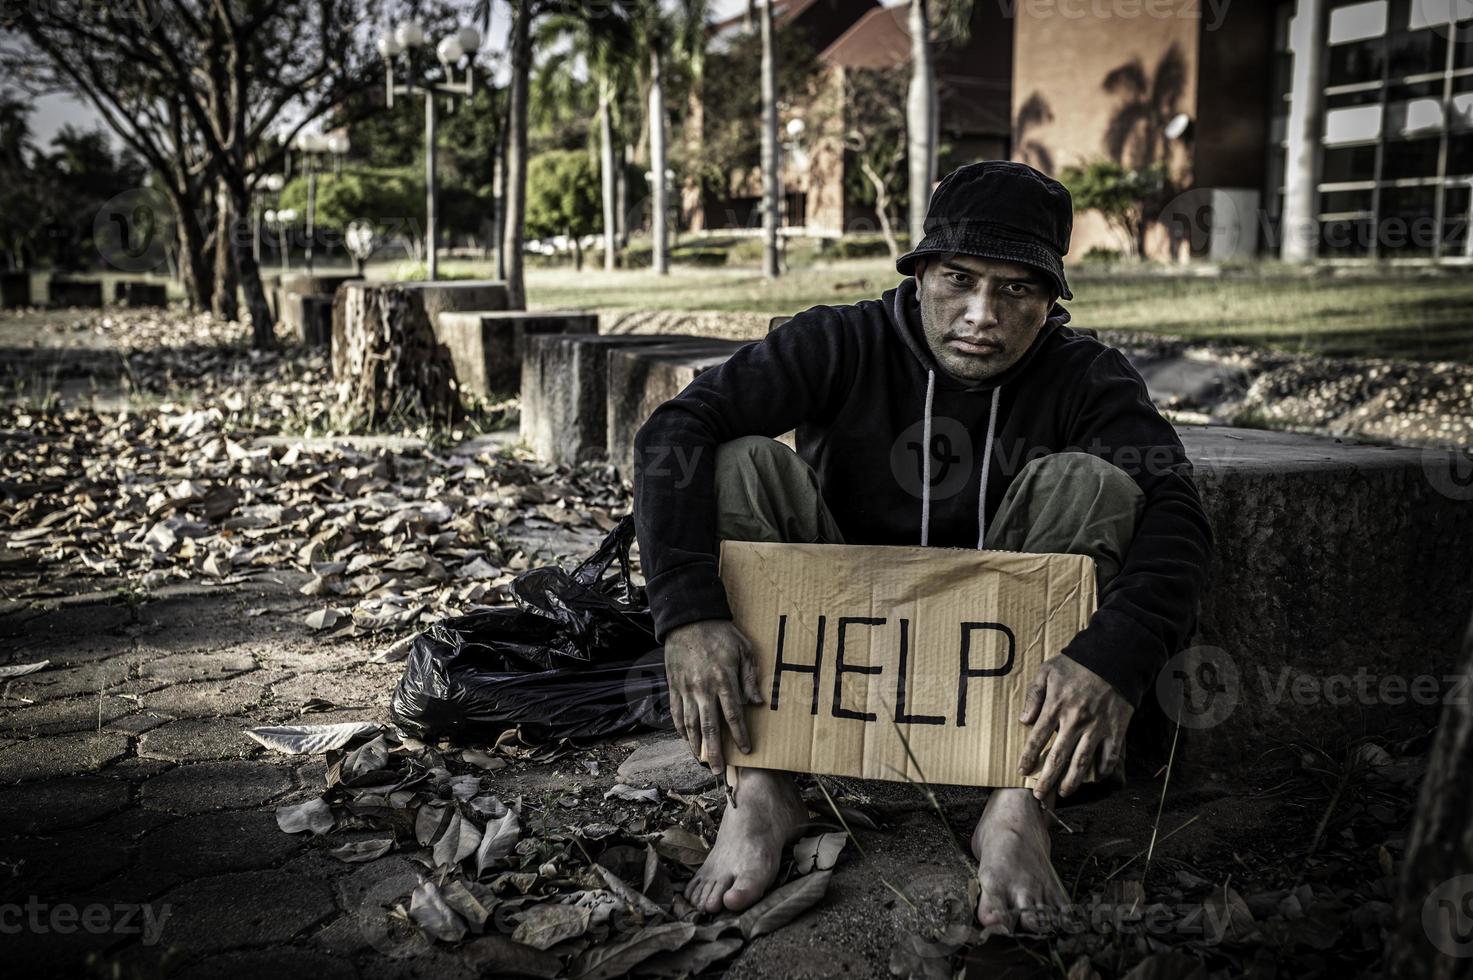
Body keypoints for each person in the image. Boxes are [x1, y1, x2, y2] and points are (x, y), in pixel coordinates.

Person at [631, 160, 1213, 932]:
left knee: (1095, 482)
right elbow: (675, 428)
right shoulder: (840, 339)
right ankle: (763, 786)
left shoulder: (1085, 376)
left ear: (1049, 299)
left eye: (1016, 290)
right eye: (958, 279)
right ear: (918, 273)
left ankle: (1019, 807)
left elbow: (1177, 509)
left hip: (995, 667)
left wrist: (1115, 655)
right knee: (739, 460)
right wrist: (686, 612)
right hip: (845, 640)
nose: (982, 314)